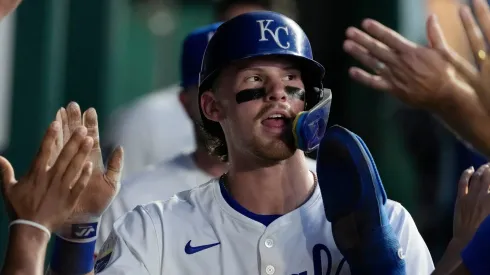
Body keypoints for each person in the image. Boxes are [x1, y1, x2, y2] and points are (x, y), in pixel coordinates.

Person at [3, 11, 428, 275]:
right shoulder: (155, 228)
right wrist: (77, 234)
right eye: (255, 81)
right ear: (211, 106)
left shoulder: (384, 223)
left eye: (293, 83)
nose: (278, 93)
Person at [94, 22, 234, 253]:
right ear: (185, 101)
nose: (224, 101)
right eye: (210, 89)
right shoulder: (133, 198)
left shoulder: (313, 186)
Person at [103, 0, 272, 180]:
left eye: (258, 32)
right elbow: (120, 197)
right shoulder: (147, 118)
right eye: (233, 32)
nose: (244, 45)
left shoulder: (280, 113)